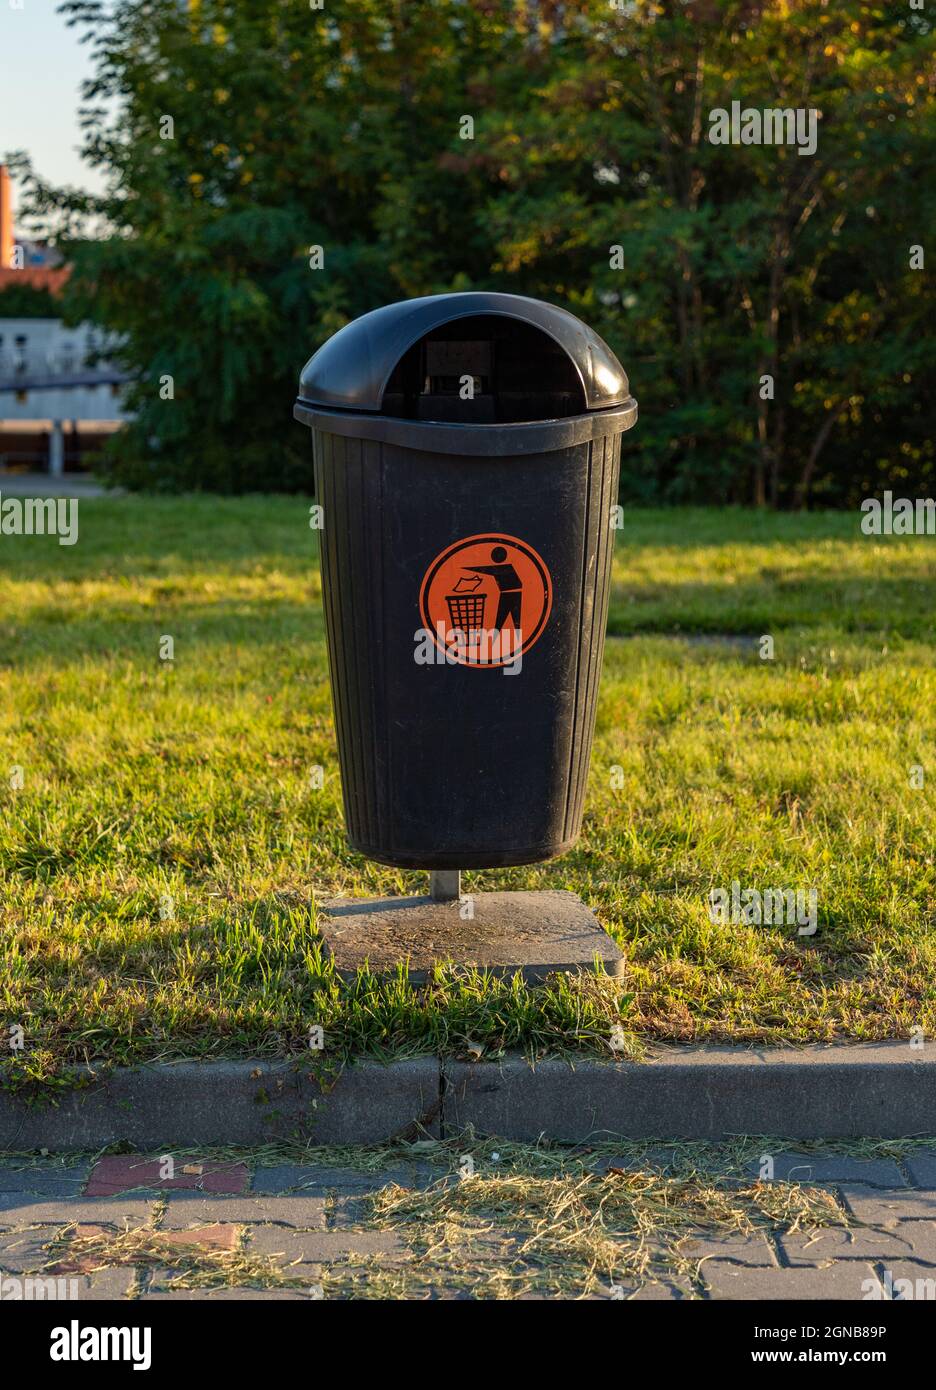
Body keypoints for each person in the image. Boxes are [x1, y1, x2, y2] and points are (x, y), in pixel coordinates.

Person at [462, 546, 522, 630]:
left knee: (509, 619)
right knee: (503, 620)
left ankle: (512, 638)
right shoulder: (506, 567)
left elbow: (487, 569)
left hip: (512, 594)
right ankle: (498, 638)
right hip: (509, 593)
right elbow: (489, 569)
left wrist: (466, 568)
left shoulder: (506, 567)